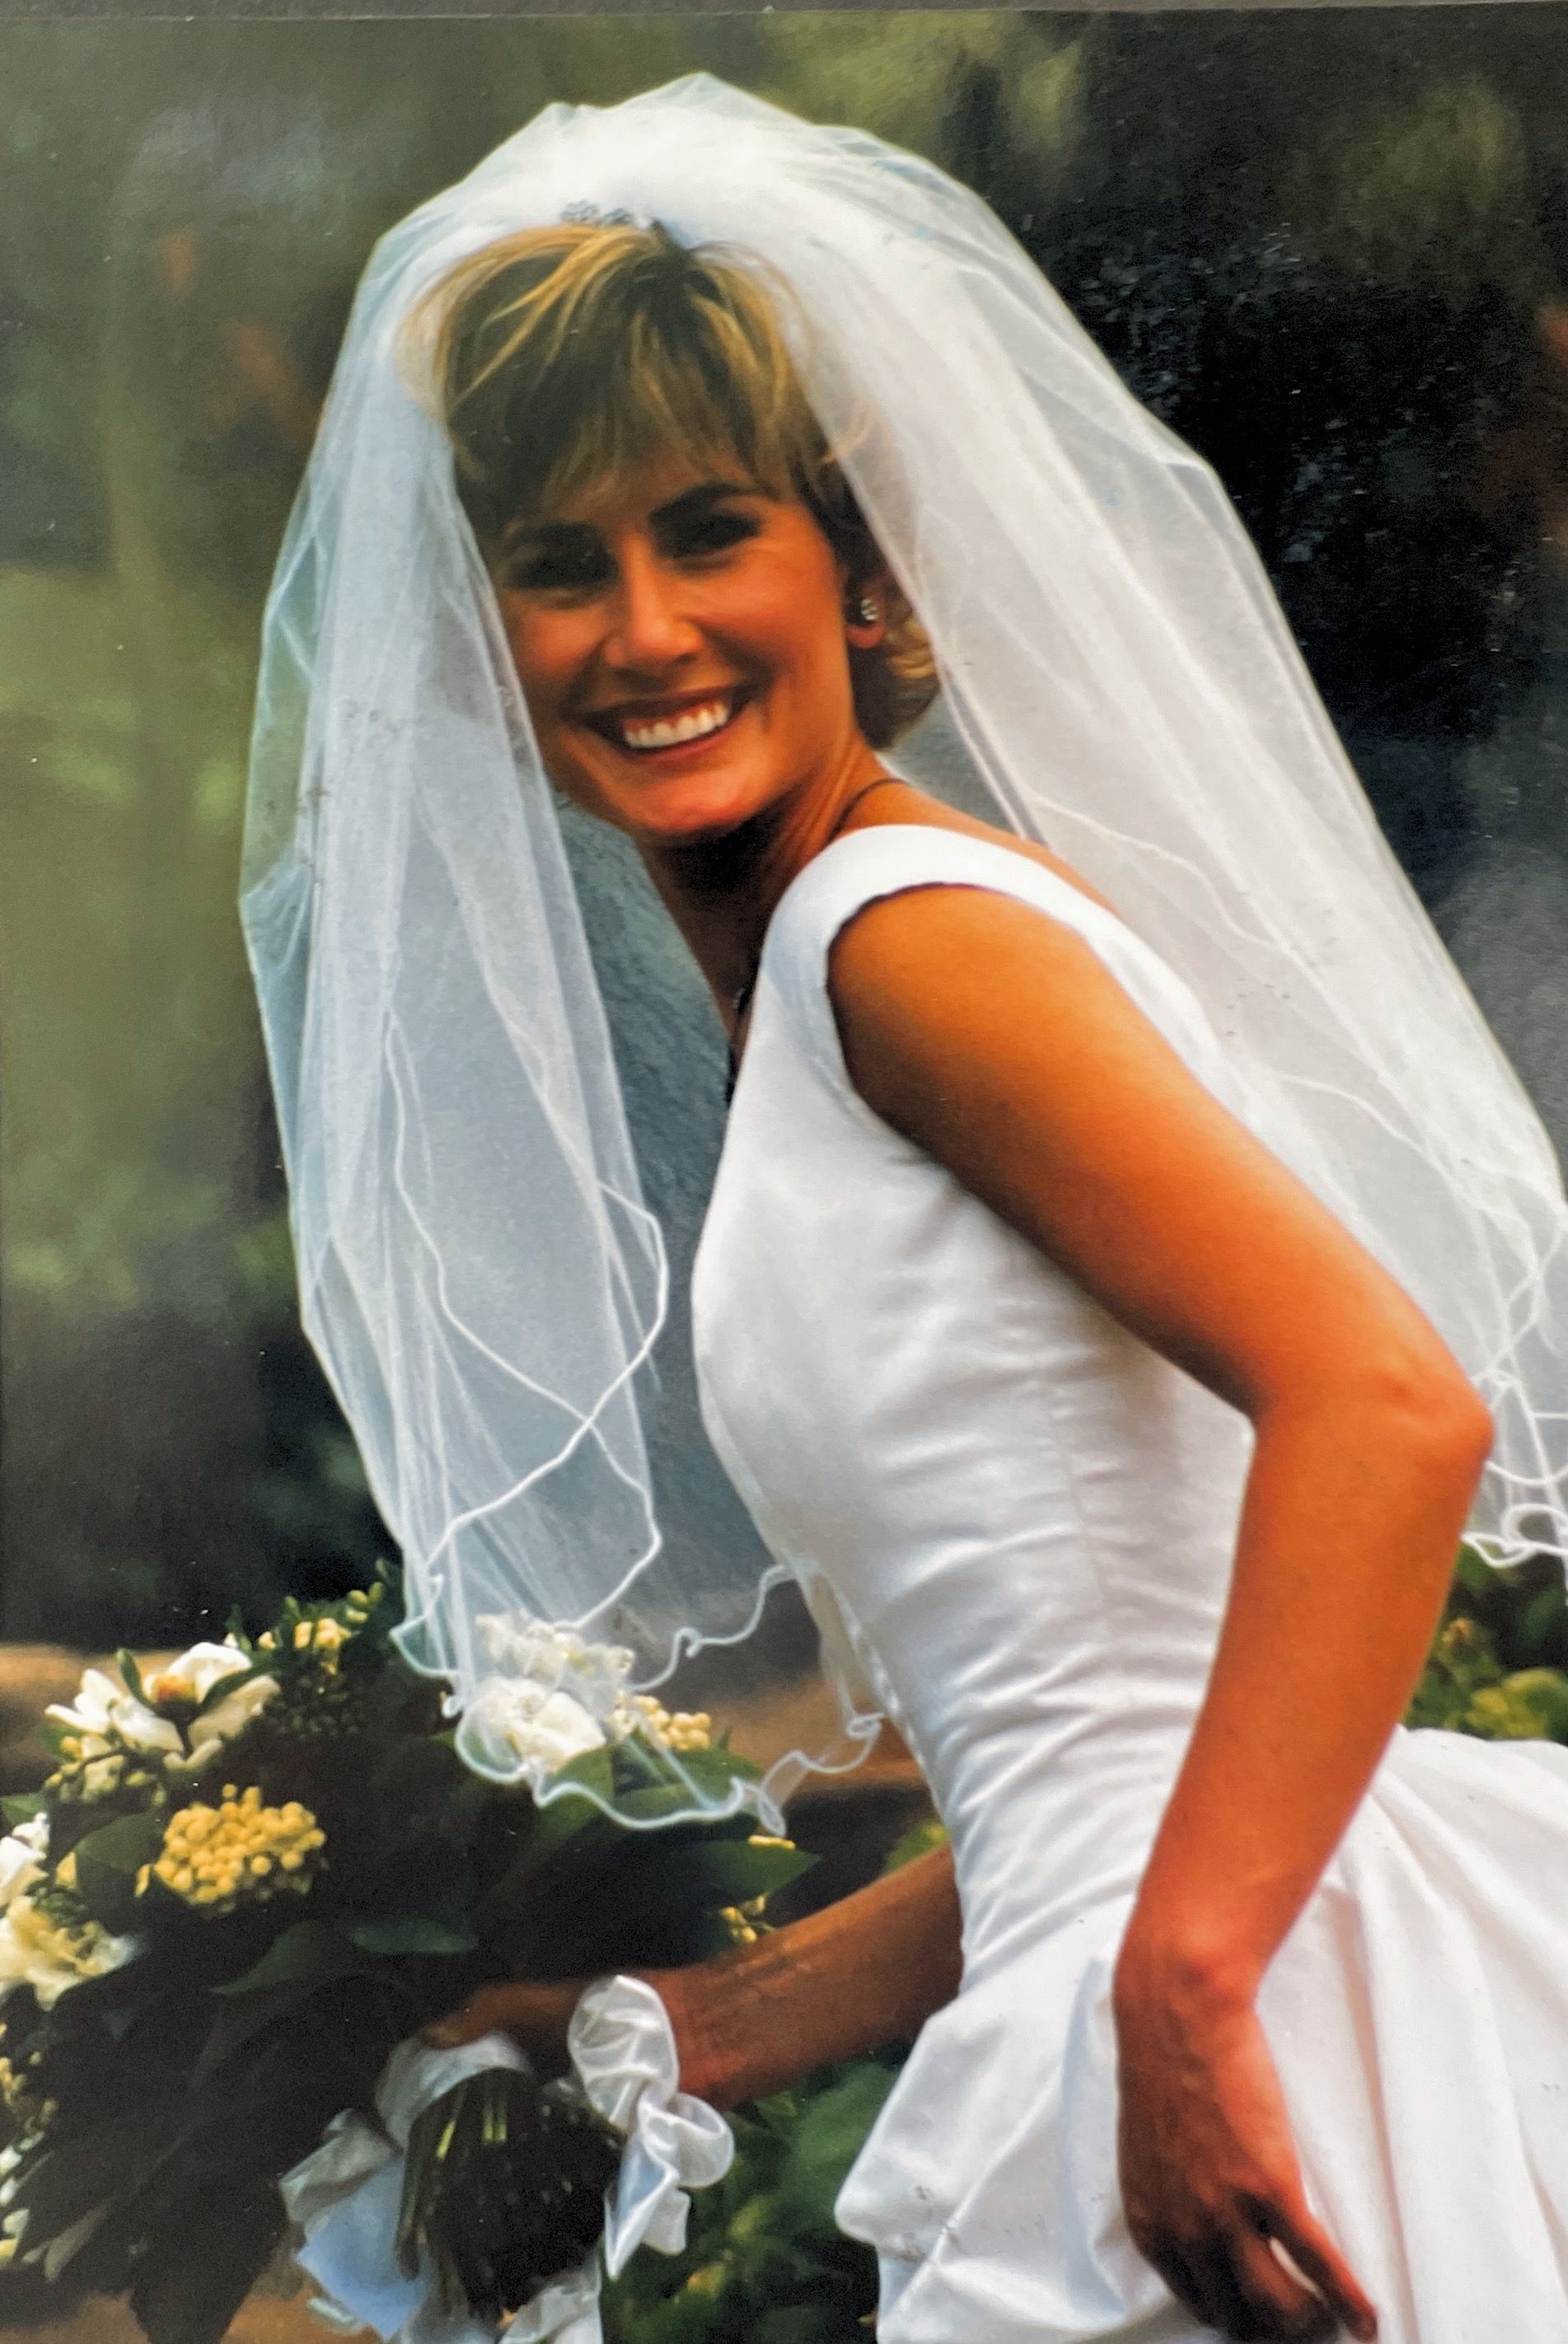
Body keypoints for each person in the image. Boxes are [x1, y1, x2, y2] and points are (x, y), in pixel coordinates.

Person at [243, 77, 1568, 2344]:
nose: (643, 629)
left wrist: (1184, 1989)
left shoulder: (903, 951)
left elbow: (1386, 1403)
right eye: (560, 566)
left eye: (709, 532)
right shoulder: (842, 971)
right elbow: (1091, 1743)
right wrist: (675, 2025)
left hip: (1234, 2014)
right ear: (483, 631)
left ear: (854, 575)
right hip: (1181, 1939)